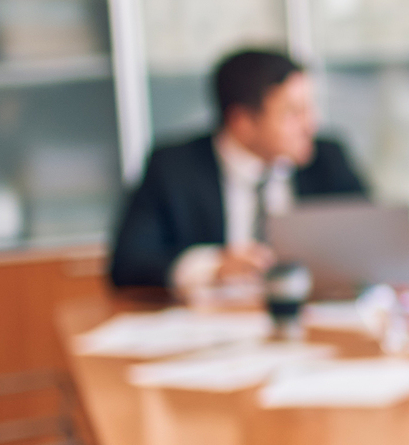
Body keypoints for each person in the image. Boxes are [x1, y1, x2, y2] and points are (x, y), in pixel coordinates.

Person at [108, 49, 366, 290]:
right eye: (292, 114)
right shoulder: (173, 168)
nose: (310, 125)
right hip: (211, 324)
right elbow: (128, 263)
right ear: (241, 121)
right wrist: (214, 266)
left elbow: (371, 238)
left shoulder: (328, 158)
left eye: (309, 108)